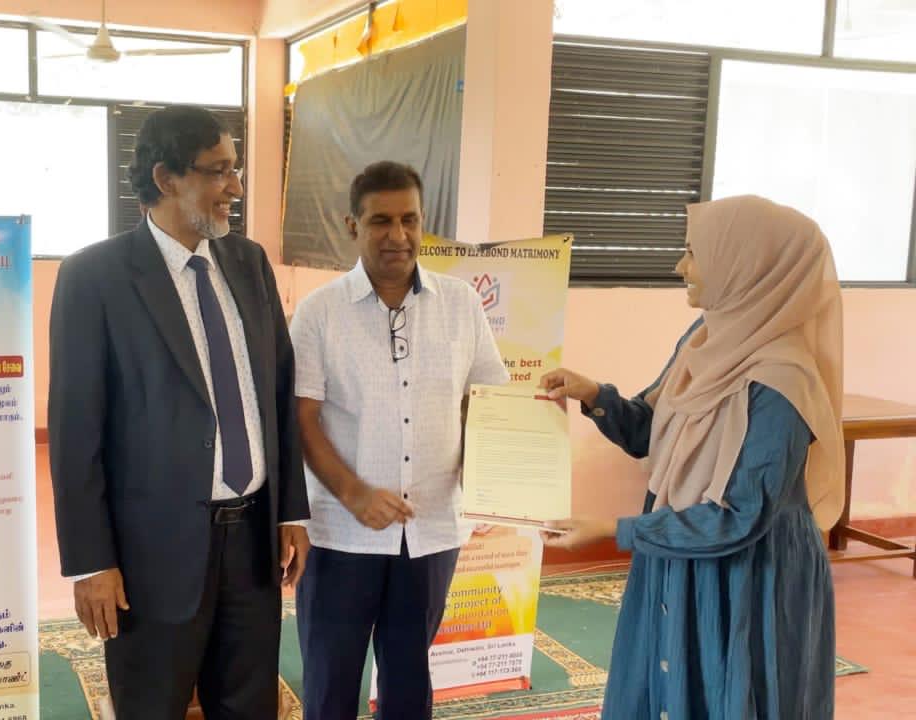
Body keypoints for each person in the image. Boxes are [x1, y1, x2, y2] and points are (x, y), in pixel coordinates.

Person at [48, 104, 310, 719]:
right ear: (166, 178)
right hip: (151, 552)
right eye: (218, 171)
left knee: (249, 705)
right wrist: (92, 562)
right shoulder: (95, 277)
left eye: (235, 169)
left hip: (252, 543)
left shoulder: (249, 263)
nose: (235, 187)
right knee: (152, 705)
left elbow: (278, 390)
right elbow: (75, 431)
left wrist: (291, 510)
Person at [541, 195, 843, 719]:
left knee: (734, 690)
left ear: (744, 264)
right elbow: (652, 431)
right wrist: (592, 394)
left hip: (749, 575)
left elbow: (742, 515)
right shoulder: (703, 342)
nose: (680, 267)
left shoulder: (783, 381)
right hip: (680, 554)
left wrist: (615, 530)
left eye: (693, 253)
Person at [289, 161, 510, 720]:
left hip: (431, 530)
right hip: (341, 534)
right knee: (331, 683)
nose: (398, 235)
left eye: (409, 219)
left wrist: (504, 485)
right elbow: (301, 416)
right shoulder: (319, 312)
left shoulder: (461, 303)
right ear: (352, 225)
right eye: (380, 221)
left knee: (410, 683)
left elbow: (486, 402)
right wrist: (354, 493)